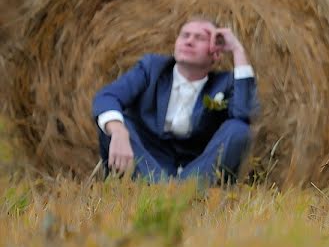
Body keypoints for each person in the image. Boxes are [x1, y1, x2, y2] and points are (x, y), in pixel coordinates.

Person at [92, 18, 259, 184]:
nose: (189, 41)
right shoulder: (152, 69)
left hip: (197, 168)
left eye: (200, 38)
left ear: (216, 53)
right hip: (147, 163)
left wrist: (237, 50)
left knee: (238, 129)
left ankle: (180, 190)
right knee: (114, 121)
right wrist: (119, 131)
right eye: (185, 35)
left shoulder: (225, 83)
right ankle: (167, 191)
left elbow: (243, 114)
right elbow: (107, 97)